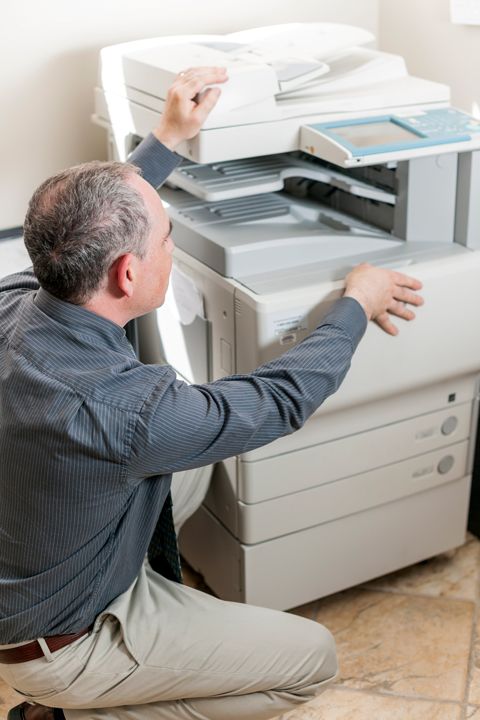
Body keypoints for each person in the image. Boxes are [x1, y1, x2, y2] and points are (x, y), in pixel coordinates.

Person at [0, 67, 423, 720]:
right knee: (312, 660)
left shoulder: (24, 296)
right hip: (64, 643)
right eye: (169, 238)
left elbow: (79, 233)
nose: (176, 246)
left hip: (37, 559)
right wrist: (355, 304)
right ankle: (78, 711)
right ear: (128, 272)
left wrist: (167, 137)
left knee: (188, 473)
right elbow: (279, 400)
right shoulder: (127, 411)